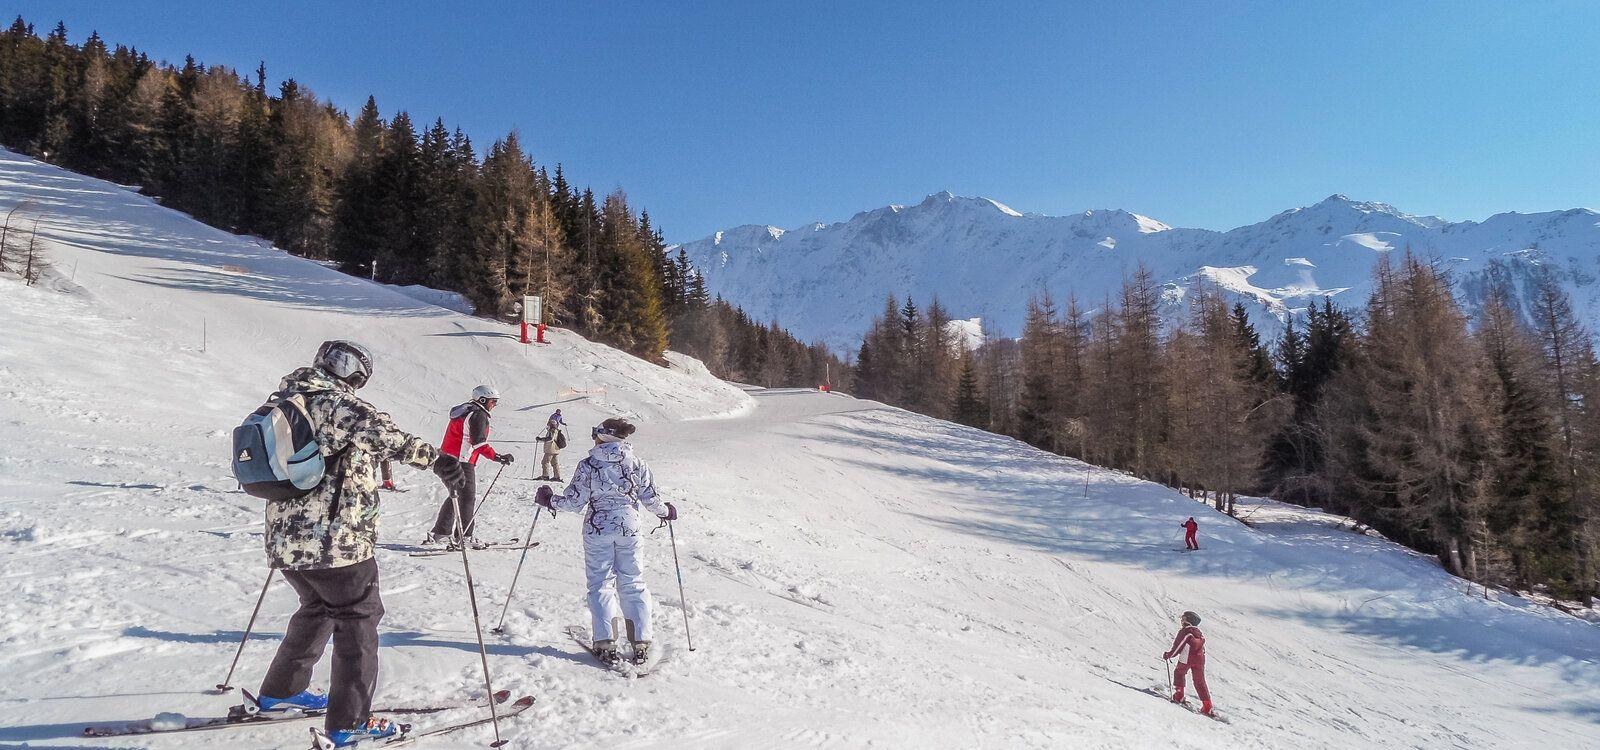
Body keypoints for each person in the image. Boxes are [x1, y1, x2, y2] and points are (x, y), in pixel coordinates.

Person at [250, 340, 459, 747]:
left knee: (318, 608)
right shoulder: (335, 404)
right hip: (336, 542)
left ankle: (281, 692)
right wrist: (440, 461)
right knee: (359, 617)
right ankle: (350, 721)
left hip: (287, 543)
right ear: (354, 374)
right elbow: (387, 435)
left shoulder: (285, 402)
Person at [536, 418, 677, 666]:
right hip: (630, 529)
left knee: (601, 583)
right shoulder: (637, 463)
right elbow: (651, 499)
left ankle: (605, 641)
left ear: (603, 436)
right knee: (633, 581)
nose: (593, 438)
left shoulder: (589, 465)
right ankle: (641, 640)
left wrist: (550, 500)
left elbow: (573, 502)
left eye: (595, 434)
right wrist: (666, 511)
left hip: (598, 529)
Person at [426, 385, 513, 549]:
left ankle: (441, 533)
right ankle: (465, 536)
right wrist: (497, 457)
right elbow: (478, 442)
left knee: (456, 495)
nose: (494, 405)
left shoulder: (464, 411)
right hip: (462, 462)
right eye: (493, 402)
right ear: (483, 400)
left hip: (446, 460)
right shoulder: (478, 414)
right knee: (467, 498)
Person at [1162, 610, 1212, 716]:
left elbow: (1178, 646)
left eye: (1183, 618)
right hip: (1200, 660)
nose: (1181, 620)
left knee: (1179, 673)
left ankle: (1179, 696)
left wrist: (1169, 655)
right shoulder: (1199, 634)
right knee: (1199, 681)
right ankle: (1207, 706)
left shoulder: (1185, 631)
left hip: (1187, 658)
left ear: (1188, 620)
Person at [535, 410, 567, 481]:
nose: (547, 425)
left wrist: (540, 439)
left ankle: (545, 475)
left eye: (548, 424)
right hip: (556, 449)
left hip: (550, 449)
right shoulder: (557, 431)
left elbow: (549, 439)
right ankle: (557, 476)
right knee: (554, 463)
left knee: (545, 462)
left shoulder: (551, 431)